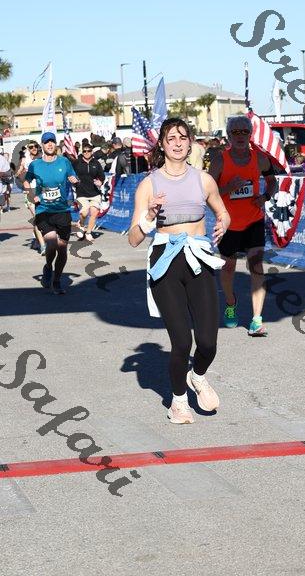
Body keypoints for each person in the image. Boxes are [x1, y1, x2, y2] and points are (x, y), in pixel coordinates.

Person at [128, 117, 230, 425]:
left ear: (190, 143)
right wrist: (149, 216)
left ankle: (197, 375)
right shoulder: (149, 185)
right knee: (182, 341)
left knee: (208, 342)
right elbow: (134, 238)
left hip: (199, 256)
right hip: (166, 260)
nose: (177, 143)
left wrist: (223, 223)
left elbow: (222, 211)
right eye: (171, 138)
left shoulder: (204, 180)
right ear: (161, 144)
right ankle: (179, 402)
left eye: (182, 137)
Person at [209, 116, 276, 337]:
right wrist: (228, 188)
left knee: (256, 267)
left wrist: (265, 196)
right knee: (228, 268)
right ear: (229, 136)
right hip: (228, 223)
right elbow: (207, 192)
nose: (240, 136)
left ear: (250, 134)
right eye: (235, 132)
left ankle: (256, 320)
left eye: (244, 132)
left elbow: (272, 181)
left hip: (253, 221)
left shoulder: (260, 159)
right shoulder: (219, 160)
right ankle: (231, 302)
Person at [21, 132, 79, 294]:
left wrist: (75, 180)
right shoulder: (36, 165)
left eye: (52, 141)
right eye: (47, 142)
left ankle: (57, 280)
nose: (50, 144)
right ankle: (48, 267)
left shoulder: (64, 162)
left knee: (62, 249)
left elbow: (73, 177)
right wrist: (31, 195)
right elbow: (26, 181)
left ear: (55, 144)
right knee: (52, 243)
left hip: (62, 211)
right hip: (44, 210)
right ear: (42, 145)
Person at [16, 140, 46, 254]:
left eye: (35, 146)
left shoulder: (42, 158)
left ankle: (36, 237)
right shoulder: (25, 159)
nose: (34, 148)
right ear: (28, 149)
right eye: (31, 147)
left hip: (41, 190)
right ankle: (43, 245)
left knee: (44, 217)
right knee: (37, 218)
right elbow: (17, 174)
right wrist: (20, 172)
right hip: (29, 191)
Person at [73, 143, 105, 242]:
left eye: (88, 151)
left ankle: (88, 232)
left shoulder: (96, 163)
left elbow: (102, 176)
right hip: (81, 192)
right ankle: (81, 224)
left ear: (92, 152)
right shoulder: (77, 162)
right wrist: (72, 179)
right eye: (84, 151)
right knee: (84, 213)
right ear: (82, 152)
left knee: (94, 212)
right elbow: (70, 173)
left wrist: (100, 181)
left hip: (95, 193)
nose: (86, 153)